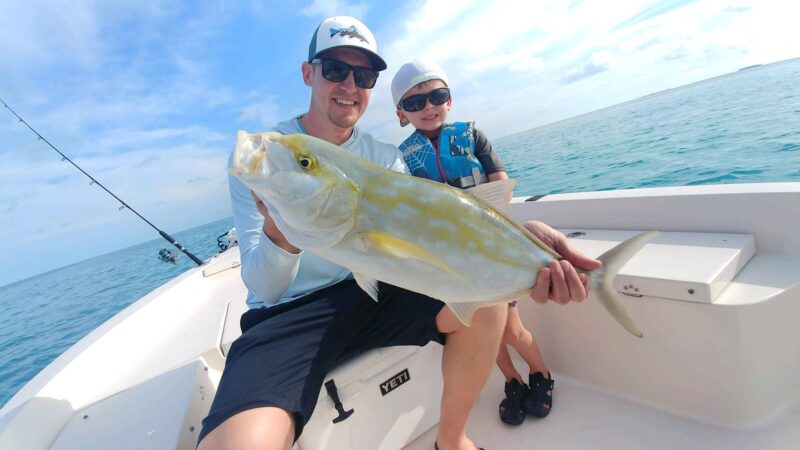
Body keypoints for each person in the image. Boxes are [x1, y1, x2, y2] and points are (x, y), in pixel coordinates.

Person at [199, 17, 597, 450]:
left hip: (373, 286)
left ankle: (451, 440)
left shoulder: (384, 158)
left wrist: (522, 241)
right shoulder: (271, 157)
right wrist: (283, 234)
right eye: (335, 69)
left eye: (365, 75)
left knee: (487, 306)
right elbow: (264, 287)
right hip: (292, 312)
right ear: (308, 73)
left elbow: (430, 231)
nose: (350, 84)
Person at [390, 59, 598, 426]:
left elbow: (500, 188)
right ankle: (512, 381)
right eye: (414, 102)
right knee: (480, 330)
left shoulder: (473, 137)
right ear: (401, 113)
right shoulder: (401, 160)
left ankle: (542, 375)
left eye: (437, 95)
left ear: (449, 100)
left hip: (491, 253)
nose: (428, 107)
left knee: (511, 327)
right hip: (449, 264)